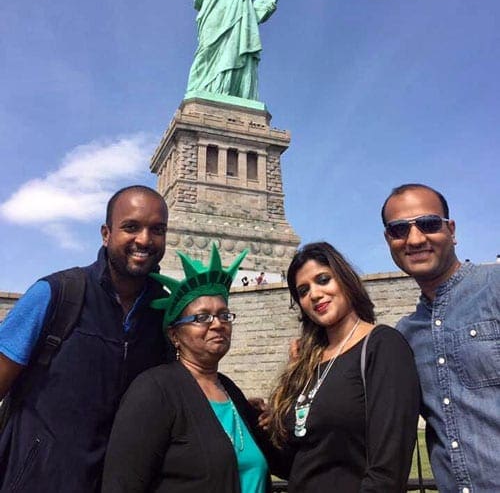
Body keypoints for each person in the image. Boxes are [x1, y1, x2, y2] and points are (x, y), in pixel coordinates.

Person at [0, 185, 174, 492]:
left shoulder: (164, 313)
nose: (144, 240)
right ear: (106, 234)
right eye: (131, 227)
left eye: (157, 230)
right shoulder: (56, 293)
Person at [102, 243, 282, 492]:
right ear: (175, 335)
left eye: (224, 315)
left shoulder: (231, 392)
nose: (217, 324)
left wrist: (277, 424)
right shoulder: (154, 391)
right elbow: (122, 485)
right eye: (202, 318)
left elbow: (283, 463)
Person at [267, 242, 420, 493]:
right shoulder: (307, 364)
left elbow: (388, 470)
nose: (314, 294)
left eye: (323, 280)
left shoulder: (382, 346)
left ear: (345, 280)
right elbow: (296, 463)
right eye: (303, 291)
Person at [382, 183, 500, 493]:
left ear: (451, 230)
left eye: (429, 224)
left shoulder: (495, 287)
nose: (415, 238)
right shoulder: (404, 335)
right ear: (389, 240)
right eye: (399, 230)